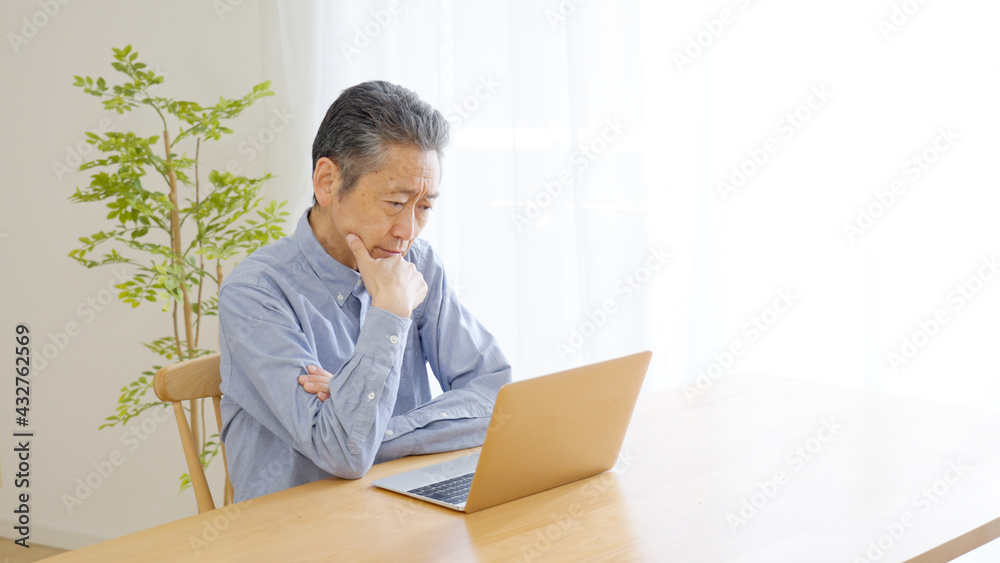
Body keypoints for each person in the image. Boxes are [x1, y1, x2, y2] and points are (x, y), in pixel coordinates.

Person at [218, 81, 512, 502]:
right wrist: (390, 311)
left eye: (424, 207)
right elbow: (344, 452)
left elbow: (499, 398)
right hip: (299, 524)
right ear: (327, 182)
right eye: (395, 202)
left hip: (402, 505)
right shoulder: (255, 292)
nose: (408, 231)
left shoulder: (417, 263)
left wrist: (371, 427)